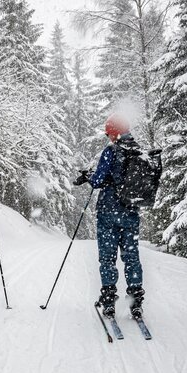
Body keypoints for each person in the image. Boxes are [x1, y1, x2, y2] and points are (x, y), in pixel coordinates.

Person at [73, 115, 145, 319]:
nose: (108, 137)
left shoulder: (111, 151)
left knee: (107, 258)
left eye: (108, 133)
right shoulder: (139, 152)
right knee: (131, 257)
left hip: (109, 213)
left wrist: (88, 176)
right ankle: (136, 301)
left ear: (114, 132)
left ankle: (109, 300)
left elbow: (98, 181)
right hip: (131, 212)